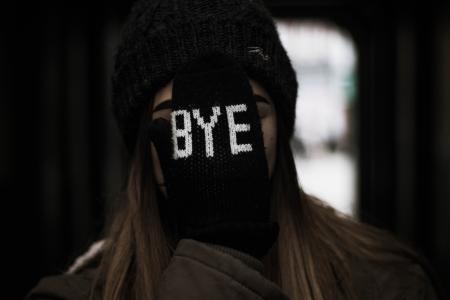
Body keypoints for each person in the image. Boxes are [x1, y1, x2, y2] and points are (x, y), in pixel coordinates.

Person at [26, 0, 443, 299]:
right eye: (180, 121)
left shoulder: (385, 284)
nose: (217, 147)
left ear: (281, 127)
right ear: (142, 147)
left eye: (243, 116)